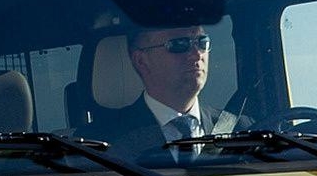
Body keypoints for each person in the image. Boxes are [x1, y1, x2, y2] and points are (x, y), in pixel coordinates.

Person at [91, 24, 250, 158]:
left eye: (202, 42)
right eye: (179, 44)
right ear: (142, 61)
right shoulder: (96, 146)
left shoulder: (244, 132)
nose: (196, 55)